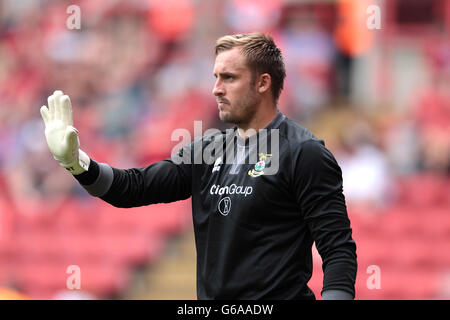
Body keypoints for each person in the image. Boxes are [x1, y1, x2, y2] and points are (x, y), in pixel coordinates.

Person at [40, 33, 357, 300]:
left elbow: (338, 251)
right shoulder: (207, 150)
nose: (216, 88)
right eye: (215, 77)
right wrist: (76, 163)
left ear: (263, 83)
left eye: (229, 78)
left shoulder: (304, 153)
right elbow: (132, 188)